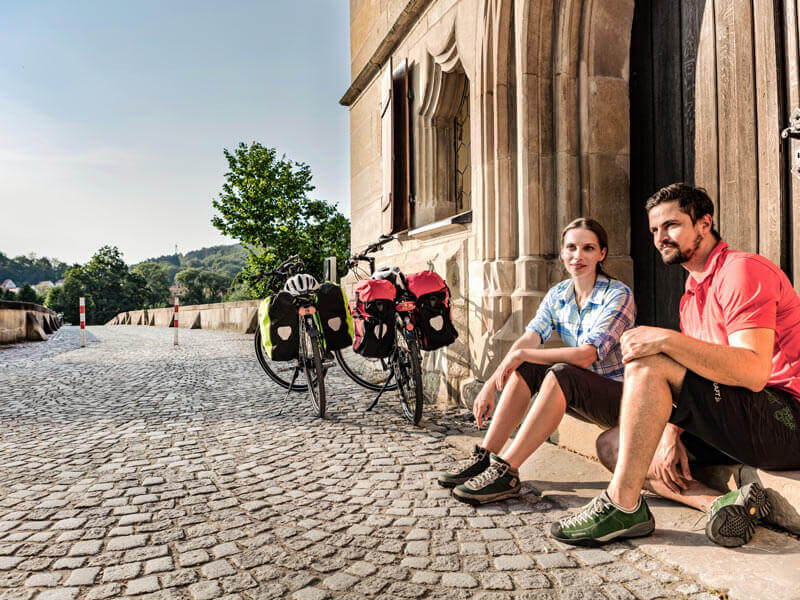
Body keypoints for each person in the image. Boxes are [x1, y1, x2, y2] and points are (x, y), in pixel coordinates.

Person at [551, 183, 800, 548]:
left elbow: (753, 371)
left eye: (671, 225)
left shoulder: (741, 271)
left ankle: (621, 503)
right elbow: (702, 375)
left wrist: (667, 339)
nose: (660, 238)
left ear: (704, 223)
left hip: (785, 419)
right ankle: (721, 505)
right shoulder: (690, 295)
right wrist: (672, 432)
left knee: (649, 359)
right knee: (612, 445)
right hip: (735, 417)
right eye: (654, 230)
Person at [437, 218, 636, 505]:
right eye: (571, 248)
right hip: (584, 391)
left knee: (561, 373)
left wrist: (520, 355)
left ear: (601, 254)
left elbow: (586, 355)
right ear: (562, 252)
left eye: (588, 248)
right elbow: (528, 342)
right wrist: (491, 384)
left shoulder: (618, 295)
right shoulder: (559, 295)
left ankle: (507, 471)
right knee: (529, 367)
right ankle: (485, 457)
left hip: (623, 399)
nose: (578, 256)